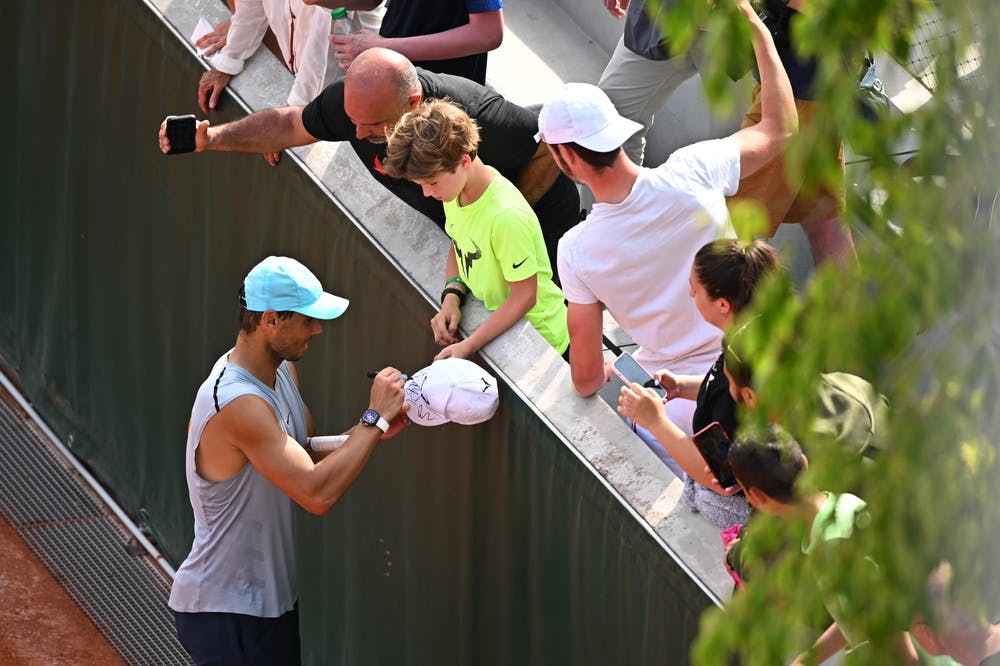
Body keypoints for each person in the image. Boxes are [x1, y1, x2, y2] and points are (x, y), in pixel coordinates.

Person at [534, 0, 795, 476]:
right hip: (759, 371)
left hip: (677, 410)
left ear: (565, 158)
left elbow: (588, 377)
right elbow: (780, 129)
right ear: (616, 135)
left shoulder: (576, 250)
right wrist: (757, 28)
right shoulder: (695, 169)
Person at [169, 256, 408, 665]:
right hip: (228, 610)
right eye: (307, 319)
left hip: (267, 604)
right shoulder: (237, 402)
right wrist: (372, 420)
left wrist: (371, 431)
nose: (317, 329)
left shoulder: (280, 373)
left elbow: (303, 452)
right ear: (270, 321)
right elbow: (315, 494)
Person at [157, 48, 578, 278]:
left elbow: (552, 145)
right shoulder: (354, 108)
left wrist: (494, 224)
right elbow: (289, 125)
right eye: (353, 121)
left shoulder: (475, 111)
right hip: (473, 249)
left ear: (414, 103)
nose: (357, 135)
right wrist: (211, 138)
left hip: (541, 230)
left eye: (374, 124)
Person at [727, 436, 957, 664]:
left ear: (755, 496)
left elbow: (897, 646)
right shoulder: (843, 505)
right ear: (805, 462)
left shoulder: (831, 551)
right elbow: (856, 614)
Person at [383, 99, 569, 359]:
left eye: (432, 182)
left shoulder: (506, 218)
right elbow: (460, 242)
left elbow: (524, 296)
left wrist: (467, 345)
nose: (426, 193)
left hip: (544, 342)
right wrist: (451, 295)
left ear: (464, 162)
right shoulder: (455, 191)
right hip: (502, 330)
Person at [616, 239, 780, 528]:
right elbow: (718, 387)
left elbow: (720, 479)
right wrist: (683, 386)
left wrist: (655, 422)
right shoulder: (756, 333)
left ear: (722, 304)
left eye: (696, 288)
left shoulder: (744, 373)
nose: (690, 293)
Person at [727, 0, 856, 267]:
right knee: (825, 223)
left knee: (728, 213)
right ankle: (851, 306)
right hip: (817, 89)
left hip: (795, 97)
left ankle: (719, 304)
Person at [197, 0, 386, 112]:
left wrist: (292, 115)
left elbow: (323, 57)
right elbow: (251, 8)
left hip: (358, 90)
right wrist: (228, 61)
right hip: (310, 78)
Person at [597, 0, 708, 165]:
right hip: (665, 17)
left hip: (740, 24)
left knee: (754, 134)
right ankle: (632, 190)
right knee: (611, 121)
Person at [304, 0, 504, 85]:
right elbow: (373, 1)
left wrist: (383, 47)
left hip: (439, 93)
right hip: (392, 78)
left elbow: (488, 32)